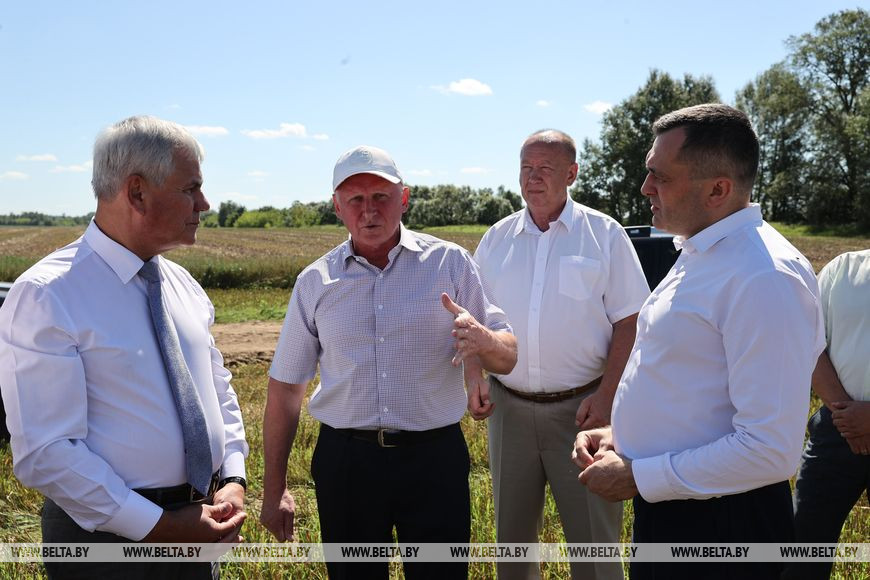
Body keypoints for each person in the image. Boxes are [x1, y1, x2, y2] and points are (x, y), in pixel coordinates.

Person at [572, 104, 825, 580]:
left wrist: (639, 475)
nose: (645, 188)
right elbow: (689, 385)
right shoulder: (702, 250)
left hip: (724, 526)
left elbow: (769, 449)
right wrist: (623, 437)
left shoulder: (763, 277)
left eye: (660, 176)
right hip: (679, 506)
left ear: (718, 190)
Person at [0, 116, 249, 579]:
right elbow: (46, 452)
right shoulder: (48, 294)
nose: (205, 203)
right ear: (137, 192)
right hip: (107, 544)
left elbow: (218, 389)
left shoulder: (183, 285)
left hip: (200, 526)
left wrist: (233, 477)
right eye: (191, 188)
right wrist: (158, 526)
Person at [259, 145, 516, 579]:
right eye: (355, 200)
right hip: (347, 463)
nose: (369, 211)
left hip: (434, 460)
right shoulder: (315, 281)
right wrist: (274, 489)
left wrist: (484, 339)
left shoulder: (450, 263)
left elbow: (507, 355)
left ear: (404, 198)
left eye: (381, 197)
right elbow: (285, 390)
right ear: (337, 206)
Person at [472, 129, 648, 580]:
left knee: (594, 548)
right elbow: (473, 320)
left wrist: (606, 399)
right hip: (508, 410)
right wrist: (475, 379)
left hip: (584, 412)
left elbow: (631, 322)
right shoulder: (496, 239)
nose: (532, 178)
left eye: (545, 169)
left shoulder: (604, 235)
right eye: (526, 168)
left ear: (571, 173)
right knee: (512, 545)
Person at [783, 249, 870, 580]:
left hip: (845, 423)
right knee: (800, 551)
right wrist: (847, 416)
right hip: (837, 428)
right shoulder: (842, 270)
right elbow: (810, 345)